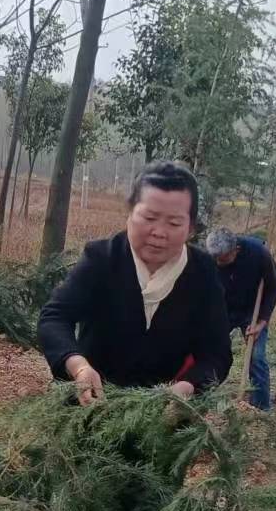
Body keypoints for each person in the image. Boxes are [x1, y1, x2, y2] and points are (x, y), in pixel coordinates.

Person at [38, 160, 232, 405]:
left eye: (174, 223)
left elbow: (217, 354)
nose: (159, 232)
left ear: (191, 227)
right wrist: (79, 367)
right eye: (149, 217)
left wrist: (187, 387)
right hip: (91, 405)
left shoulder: (202, 272)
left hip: (162, 419)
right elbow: (54, 317)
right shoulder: (102, 258)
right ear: (129, 212)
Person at [204, 227, 276, 411]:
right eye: (214, 257)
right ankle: (204, 397)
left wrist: (261, 323)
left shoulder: (258, 253)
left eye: (222, 258)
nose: (217, 262)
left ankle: (261, 408)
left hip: (251, 311)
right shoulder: (209, 257)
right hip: (223, 310)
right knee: (211, 352)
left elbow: (274, 286)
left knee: (256, 357)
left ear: (236, 250)